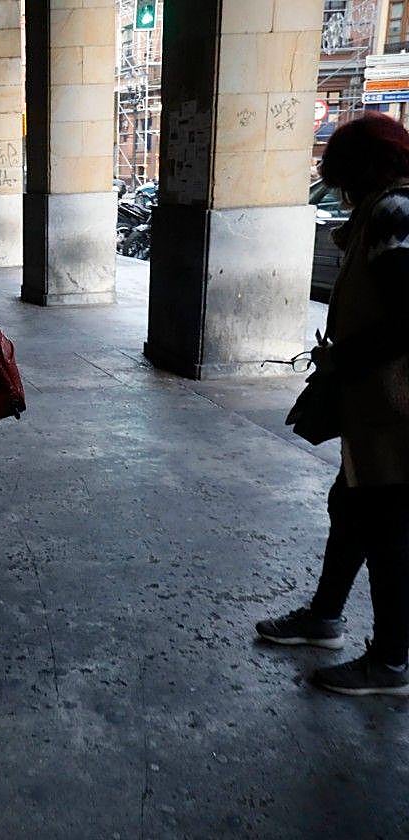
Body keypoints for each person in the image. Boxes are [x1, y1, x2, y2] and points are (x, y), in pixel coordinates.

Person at [256, 112, 409, 697]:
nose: (339, 190)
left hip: (394, 411)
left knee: (387, 529)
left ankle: (391, 662)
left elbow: (404, 317)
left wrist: (347, 359)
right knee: (350, 507)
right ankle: (324, 618)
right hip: (378, 408)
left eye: (342, 175)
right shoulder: (385, 209)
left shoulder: (394, 211)